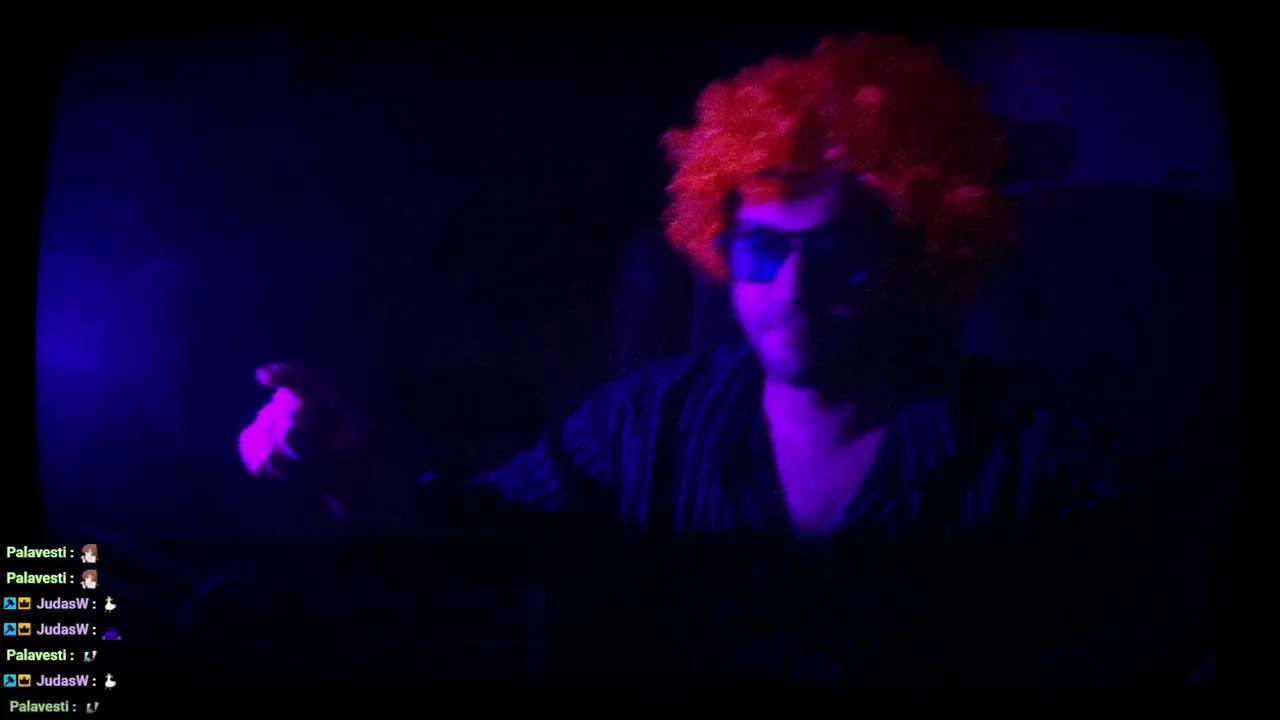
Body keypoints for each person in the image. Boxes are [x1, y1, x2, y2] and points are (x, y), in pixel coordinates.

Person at [238, 35, 1201, 688]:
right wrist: (347, 465)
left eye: (843, 252)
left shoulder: (1034, 450)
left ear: (920, 256)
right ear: (720, 247)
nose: (794, 287)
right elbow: (488, 529)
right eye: (764, 249)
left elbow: (1160, 607)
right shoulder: (642, 422)